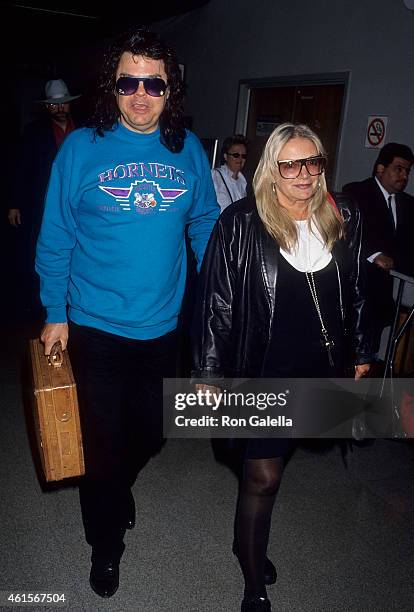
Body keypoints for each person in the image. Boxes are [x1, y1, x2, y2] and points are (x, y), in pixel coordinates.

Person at [35, 29, 219, 598]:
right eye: (128, 81)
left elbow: (205, 221)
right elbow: (57, 235)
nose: (141, 94)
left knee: (152, 432)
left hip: (165, 328)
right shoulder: (82, 149)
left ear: (171, 88)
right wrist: (54, 309)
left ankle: (118, 483)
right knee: (104, 441)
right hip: (96, 327)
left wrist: (221, 287)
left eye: (153, 82)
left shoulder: (186, 147)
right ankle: (105, 542)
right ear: (112, 86)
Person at [192, 123, 373, 612]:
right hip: (261, 365)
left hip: (319, 366)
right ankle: (254, 580)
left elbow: (357, 292)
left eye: (312, 161)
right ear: (271, 169)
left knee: (280, 460)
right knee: (263, 475)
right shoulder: (241, 221)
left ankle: (243, 538)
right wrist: (209, 372)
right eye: (290, 164)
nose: (304, 174)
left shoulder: (343, 213)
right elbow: (218, 303)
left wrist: (360, 354)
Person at [7, 79, 80, 318]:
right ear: (47, 107)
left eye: (63, 103)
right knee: (42, 249)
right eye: (53, 105)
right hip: (42, 202)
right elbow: (21, 168)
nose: (59, 108)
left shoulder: (84, 130)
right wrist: (15, 204)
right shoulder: (34, 132)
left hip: (77, 203)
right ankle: (40, 304)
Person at [343, 143, 414, 356]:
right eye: (398, 169)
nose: (404, 176)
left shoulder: (409, 204)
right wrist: (374, 255)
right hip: (359, 288)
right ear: (380, 168)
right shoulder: (356, 192)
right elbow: (346, 233)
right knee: (351, 352)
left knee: (372, 352)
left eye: (407, 171)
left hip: (388, 294)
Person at [211, 134, 248, 211]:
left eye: (243, 156)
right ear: (225, 156)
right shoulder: (214, 176)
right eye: (236, 155)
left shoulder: (244, 182)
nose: (240, 159)